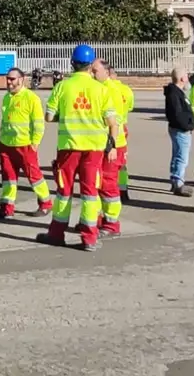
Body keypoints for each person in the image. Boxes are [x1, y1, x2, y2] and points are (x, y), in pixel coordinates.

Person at [37, 44, 119, 253]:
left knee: (64, 191)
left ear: (72, 62)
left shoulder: (62, 87)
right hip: (94, 150)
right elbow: (111, 122)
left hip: (69, 148)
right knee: (90, 193)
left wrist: (67, 116)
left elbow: (48, 117)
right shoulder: (101, 89)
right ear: (91, 65)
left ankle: (56, 234)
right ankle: (89, 238)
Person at [0, 67, 51, 220]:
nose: (9, 82)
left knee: (34, 176)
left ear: (21, 79)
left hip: (25, 144)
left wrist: (35, 142)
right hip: (6, 144)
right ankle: (6, 208)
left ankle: (45, 203)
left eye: (12, 79)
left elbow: (38, 124)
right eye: (8, 79)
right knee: (8, 178)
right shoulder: (7, 97)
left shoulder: (31, 98)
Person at [93, 60, 134, 237]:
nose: (91, 74)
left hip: (112, 145)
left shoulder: (111, 91)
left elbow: (114, 123)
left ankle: (111, 224)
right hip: (104, 144)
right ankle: (100, 219)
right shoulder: (103, 89)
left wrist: (112, 146)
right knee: (99, 183)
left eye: (95, 71)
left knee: (108, 184)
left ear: (107, 72)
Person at [163, 68, 194, 197]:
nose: (188, 78)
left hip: (179, 128)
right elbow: (177, 114)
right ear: (182, 78)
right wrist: (187, 125)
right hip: (180, 129)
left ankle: (175, 180)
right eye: (186, 76)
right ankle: (178, 183)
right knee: (182, 157)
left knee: (177, 155)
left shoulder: (178, 92)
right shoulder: (174, 94)